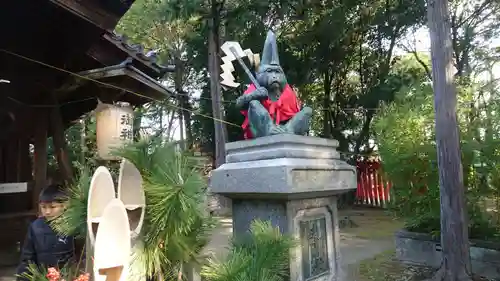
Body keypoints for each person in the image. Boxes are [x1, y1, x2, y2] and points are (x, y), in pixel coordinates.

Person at [16, 184, 82, 280]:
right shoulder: (35, 227)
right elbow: (27, 259)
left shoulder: (74, 226)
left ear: (65, 206)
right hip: (42, 277)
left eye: (52, 207)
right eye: (43, 207)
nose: (47, 212)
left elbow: (82, 256)